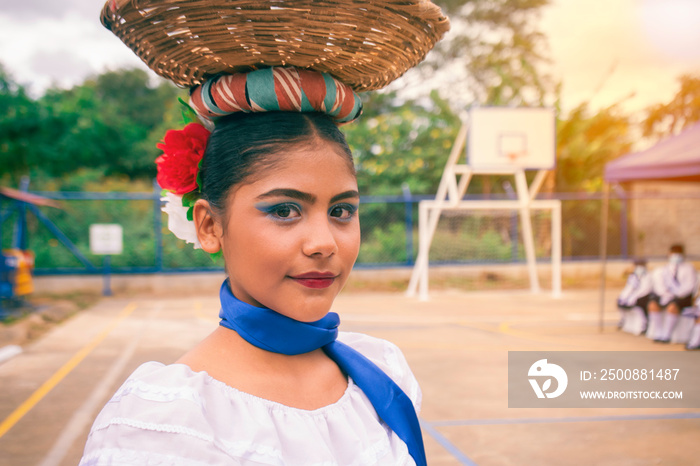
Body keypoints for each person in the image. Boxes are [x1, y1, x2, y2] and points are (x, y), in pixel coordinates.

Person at [82, 1, 449, 464]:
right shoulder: (166, 422)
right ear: (210, 226)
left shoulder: (382, 370)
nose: (324, 243)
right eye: (284, 210)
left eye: (341, 211)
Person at [647, 244, 698, 343]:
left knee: (672, 307)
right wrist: (666, 294)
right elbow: (659, 285)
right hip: (666, 295)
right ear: (669, 254)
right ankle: (659, 332)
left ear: (682, 255)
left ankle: (667, 334)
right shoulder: (663, 269)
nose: (675, 256)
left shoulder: (688, 268)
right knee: (652, 305)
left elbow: (690, 285)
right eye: (673, 253)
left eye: (678, 254)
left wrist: (676, 294)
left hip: (682, 296)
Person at [616, 258, 652, 334]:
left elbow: (644, 290)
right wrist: (623, 297)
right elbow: (629, 288)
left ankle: (644, 325)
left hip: (644, 297)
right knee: (620, 302)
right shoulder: (633, 276)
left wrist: (633, 298)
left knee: (639, 303)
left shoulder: (648, 276)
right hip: (633, 297)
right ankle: (624, 320)